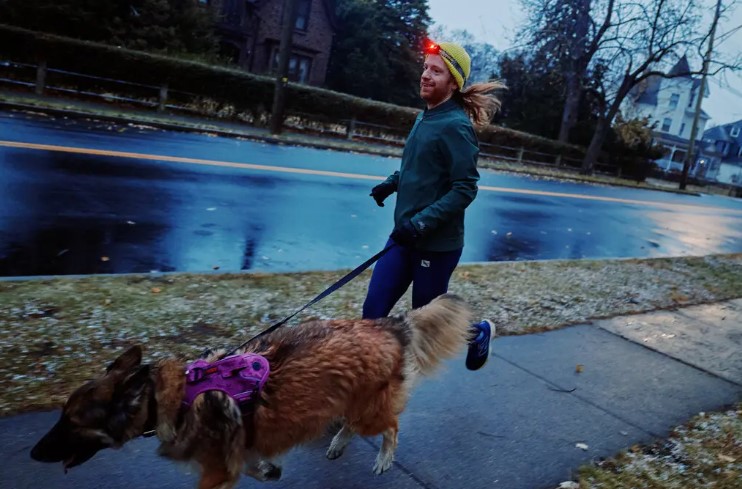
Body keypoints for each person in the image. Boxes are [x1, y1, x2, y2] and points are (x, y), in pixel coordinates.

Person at [363, 40, 505, 371]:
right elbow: (418, 165)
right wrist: (392, 183)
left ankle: (477, 333)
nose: (426, 75)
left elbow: (465, 188)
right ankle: (366, 390)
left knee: (427, 322)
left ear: (453, 82)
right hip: (404, 239)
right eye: (425, 67)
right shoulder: (425, 117)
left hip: (435, 247)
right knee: (372, 314)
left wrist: (422, 223)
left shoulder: (456, 127)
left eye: (436, 71)